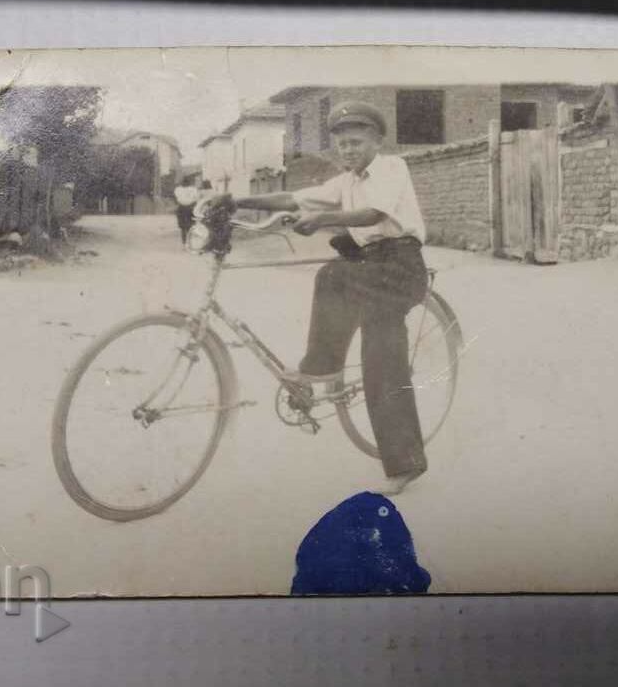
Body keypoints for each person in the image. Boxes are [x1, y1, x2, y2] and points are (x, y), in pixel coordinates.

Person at [209, 102, 430, 495]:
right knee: (331, 275)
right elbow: (294, 199)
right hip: (369, 264)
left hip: (400, 265)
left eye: (356, 142)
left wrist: (324, 219)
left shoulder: (392, 168)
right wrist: (237, 201)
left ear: (377, 142)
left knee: (381, 356)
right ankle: (322, 367)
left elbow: (373, 214)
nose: (348, 150)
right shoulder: (345, 182)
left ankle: (405, 464)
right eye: (342, 144)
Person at [173, 175, 200, 246]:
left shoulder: (178, 189)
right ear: (190, 182)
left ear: (182, 182)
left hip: (181, 208)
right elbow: (196, 200)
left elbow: (175, 198)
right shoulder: (193, 189)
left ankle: (184, 243)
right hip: (190, 208)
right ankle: (190, 242)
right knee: (191, 226)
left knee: (183, 227)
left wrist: (179, 202)